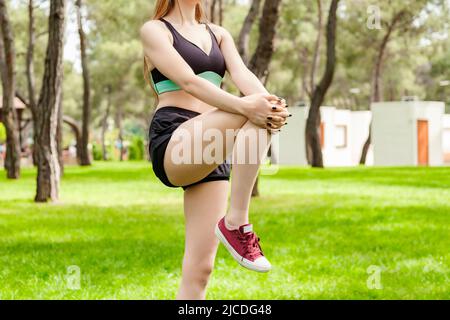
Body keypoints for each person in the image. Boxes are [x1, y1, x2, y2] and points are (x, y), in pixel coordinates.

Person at [140, 0, 289, 300]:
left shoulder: (219, 34)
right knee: (251, 110)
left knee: (200, 269)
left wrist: (270, 103)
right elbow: (188, 81)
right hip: (175, 138)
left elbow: (243, 75)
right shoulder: (155, 31)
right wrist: (250, 105)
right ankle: (237, 223)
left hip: (212, 142)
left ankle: (234, 222)